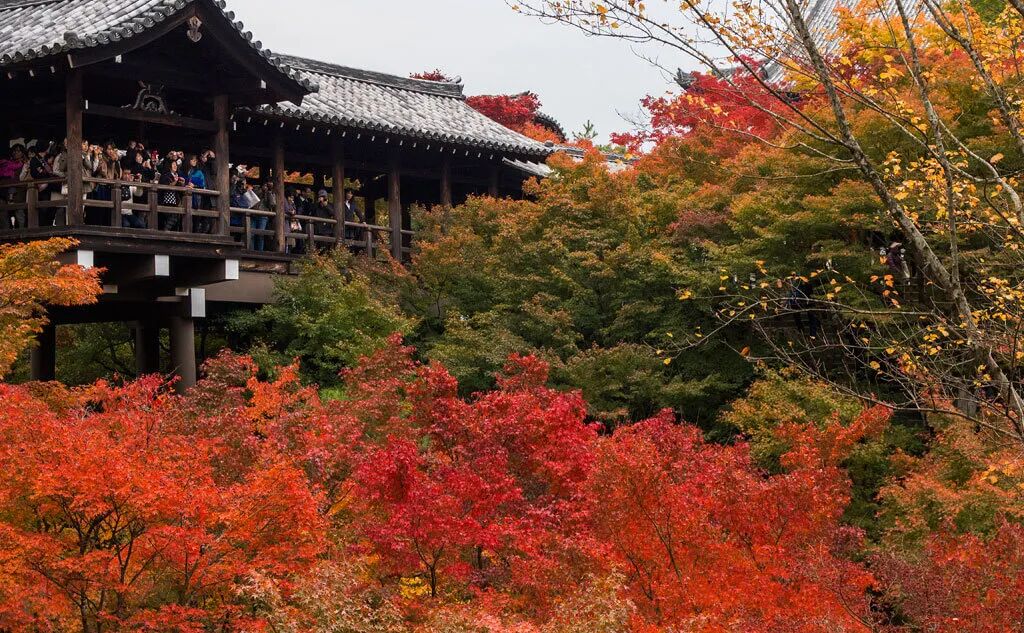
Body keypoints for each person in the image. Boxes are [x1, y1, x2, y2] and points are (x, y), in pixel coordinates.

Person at [158, 159, 184, 231]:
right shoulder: (166, 176)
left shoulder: (177, 176)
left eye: (176, 165)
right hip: (166, 201)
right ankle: (165, 231)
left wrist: (182, 184)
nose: (175, 166)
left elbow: (180, 191)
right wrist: (175, 181)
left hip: (175, 202)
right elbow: (167, 187)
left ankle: (167, 231)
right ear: (169, 166)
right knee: (173, 218)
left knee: (176, 220)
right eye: (173, 164)